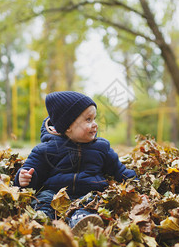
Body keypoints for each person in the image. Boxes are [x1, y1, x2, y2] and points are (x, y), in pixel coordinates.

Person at [14, 91, 136, 234]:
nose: (95, 125)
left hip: (88, 191)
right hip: (55, 193)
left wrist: (133, 181)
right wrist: (23, 178)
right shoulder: (47, 149)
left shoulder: (101, 147)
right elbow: (32, 171)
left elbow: (118, 170)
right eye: (88, 120)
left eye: (94, 119)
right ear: (68, 126)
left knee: (93, 202)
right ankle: (42, 221)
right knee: (43, 199)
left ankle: (82, 221)